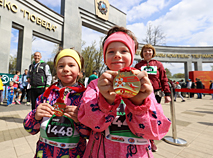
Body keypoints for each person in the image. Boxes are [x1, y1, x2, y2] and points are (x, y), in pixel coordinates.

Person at [78, 26, 171, 158]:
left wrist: (139, 103)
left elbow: (155, 131)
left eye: (124, 51)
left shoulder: (142, 87)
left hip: (136, 153)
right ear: (104, 58)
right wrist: (105, 101)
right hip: (100, 152)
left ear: (132, 56)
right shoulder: (95, 86)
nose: (117, 55)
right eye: (111, 52)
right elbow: (87, 123)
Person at [23, 48, 90, 158]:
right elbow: (29, 128)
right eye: (61, 66)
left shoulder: (86, 98)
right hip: (44, 154)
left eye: (71, 65)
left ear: (79, 71)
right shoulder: (46, 95)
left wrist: (80, 120)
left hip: (74, 154)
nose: (66, 69)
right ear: (56, 70)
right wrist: (35, 116)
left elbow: (90, 134)